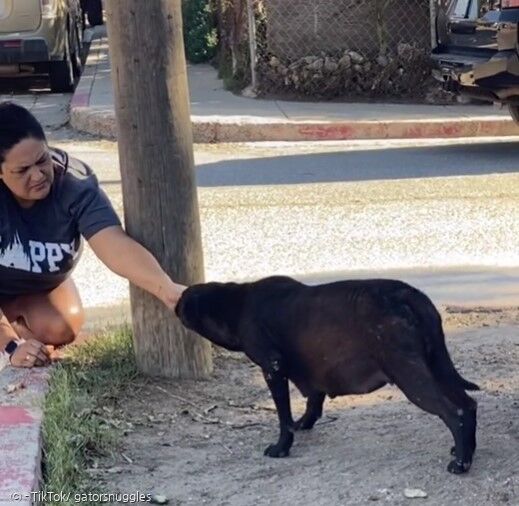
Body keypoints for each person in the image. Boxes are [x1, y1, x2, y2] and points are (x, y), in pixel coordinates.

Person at [0, 102, 185, 368]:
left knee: (61, 327)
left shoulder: (73, 182)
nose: (38, 174)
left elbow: (112, 243)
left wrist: (166, 289)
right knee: (15, 347)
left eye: (42, 160)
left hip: (36, 288)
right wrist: (10, 346)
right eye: (22, 170)